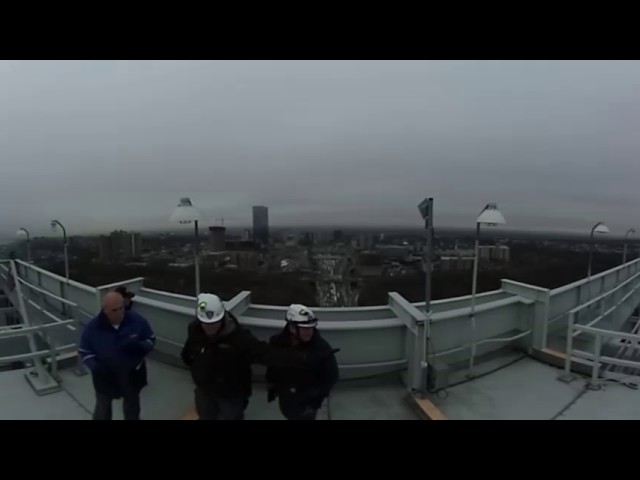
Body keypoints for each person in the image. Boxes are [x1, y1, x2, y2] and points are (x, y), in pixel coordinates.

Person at [180, 293, 318, 420]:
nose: (209, 328)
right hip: (205, 390)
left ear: (222, 318)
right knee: (206, 415)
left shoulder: (239, 339)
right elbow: (189, 351)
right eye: (206, 323)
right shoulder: (195, 330)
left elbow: (266, 353)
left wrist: (300, 358)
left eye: (214, 323)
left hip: (231, 394)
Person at [79, 291, 155, 420]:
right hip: (105, 377)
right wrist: (96, 367)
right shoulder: (92, 328)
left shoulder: (137, 321)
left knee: (132, 407)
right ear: (105, 310)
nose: (120, 312)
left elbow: (150, 339)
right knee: (103, 408)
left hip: (132, 375)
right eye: (115, 310)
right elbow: (85, 351)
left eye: (122, 308)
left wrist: (139, 347)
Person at [266, 304, 339, 420]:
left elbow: (332, 376)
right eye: (304, 328)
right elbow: (272, 367)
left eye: (311, 328)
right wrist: (273, 386)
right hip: (286, 397)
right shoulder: (277, 343)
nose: (309, 332)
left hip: (308, 402)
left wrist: (315, 395)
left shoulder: (321, 348)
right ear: (292, 327)